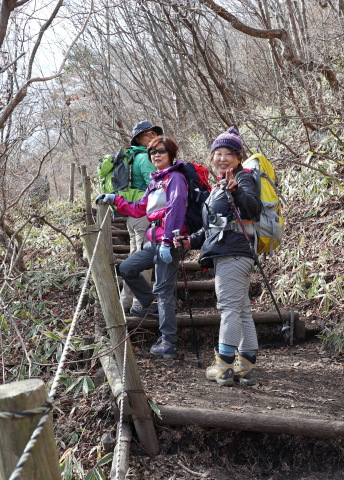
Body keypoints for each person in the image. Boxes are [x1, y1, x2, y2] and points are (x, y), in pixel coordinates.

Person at [175, 127, 262, 385]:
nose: (222, 158)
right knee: (241, 309)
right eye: (218, 153)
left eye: (229, 154)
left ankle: (223, 366)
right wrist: (191, 240)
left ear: (238, 157)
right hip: (231, 251)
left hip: (234, 252)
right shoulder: (218, 186)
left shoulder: (242, 178)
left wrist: (236, 191)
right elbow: (214, 227)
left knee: (229, 308)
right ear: (212, 156)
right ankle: (245, 364)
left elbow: (253, 209)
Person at [96, 136, 187, 359]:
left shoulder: (175, 178)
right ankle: (150, 303)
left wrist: (167, 242)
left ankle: (168, 342)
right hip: (154, 241)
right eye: (153, 152)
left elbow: (176, 210)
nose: (156, 155)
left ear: (171, 154)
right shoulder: (156, 181)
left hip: (169, 242)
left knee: (164, 291)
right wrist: (115, 199)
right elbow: (139, 209)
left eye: (161, 151)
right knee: (127, 268)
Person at [106, 121, 162, 312]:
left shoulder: (136, 157)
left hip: (134, 216)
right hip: (143, 215)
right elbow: (154, 185)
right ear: (138, 138)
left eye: (154, 133)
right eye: (147, 134)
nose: (152, 136)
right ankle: (140, 303)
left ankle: (126, 303)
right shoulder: (145, 158)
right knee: (142, 263)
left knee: (133, 260)